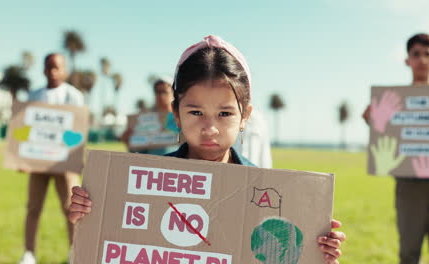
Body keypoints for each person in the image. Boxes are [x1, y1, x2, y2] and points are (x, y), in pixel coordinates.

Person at [69, 35, 345, 263]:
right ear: (176, 113)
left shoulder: (265, 192)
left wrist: (315, 251)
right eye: (196, 112)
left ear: (245, 116)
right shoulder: (140, 185)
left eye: (224, 114)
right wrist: (90, 213)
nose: (210, 128)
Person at [363, 33, 429, 264]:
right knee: (408, 253)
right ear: (407, 60)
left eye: (428, 54)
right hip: (408, 185)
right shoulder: (393, 101)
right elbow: (383, 132)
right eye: (416, 55)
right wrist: (372, 118)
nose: (422, 60)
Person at [19, 53, 84, 264]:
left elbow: (78, 129)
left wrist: (75, 158)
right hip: (38, 163)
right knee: (33, 207)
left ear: (65, 70)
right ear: (43, 69)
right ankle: (29, 253)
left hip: (64, 163)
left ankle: (74, 252)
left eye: (57, 67)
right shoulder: (34, 95)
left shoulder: (73, 96)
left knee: (70, 207)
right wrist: (22, 158)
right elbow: (24, 129)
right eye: (49, 67)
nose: (53, 72)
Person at [122, 76, 179, 155]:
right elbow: (137, 152)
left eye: (164, 91)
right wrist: (128, 140)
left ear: (174, 93)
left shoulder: (182, 116)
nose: (161, 95)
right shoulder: (143, 119)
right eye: (157, 92)